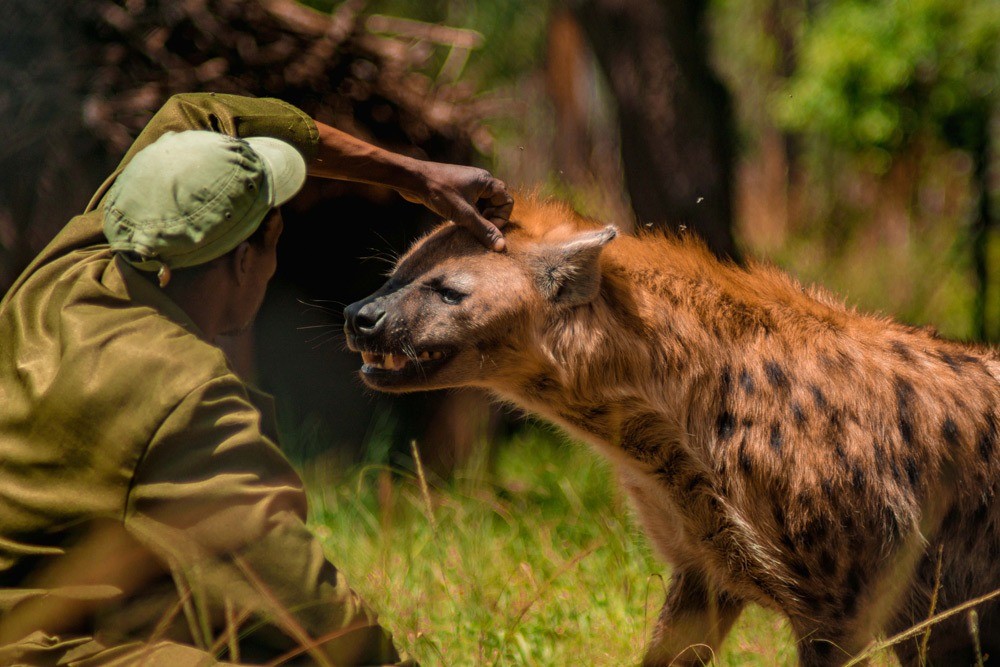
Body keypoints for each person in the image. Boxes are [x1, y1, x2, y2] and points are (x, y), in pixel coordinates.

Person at [0, 93, 512, 666]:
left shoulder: (74, 259)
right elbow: (301, 599)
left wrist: (413, 176)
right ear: (249, 259)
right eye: (275, 239)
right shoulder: (182, 390)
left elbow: (199, 111)